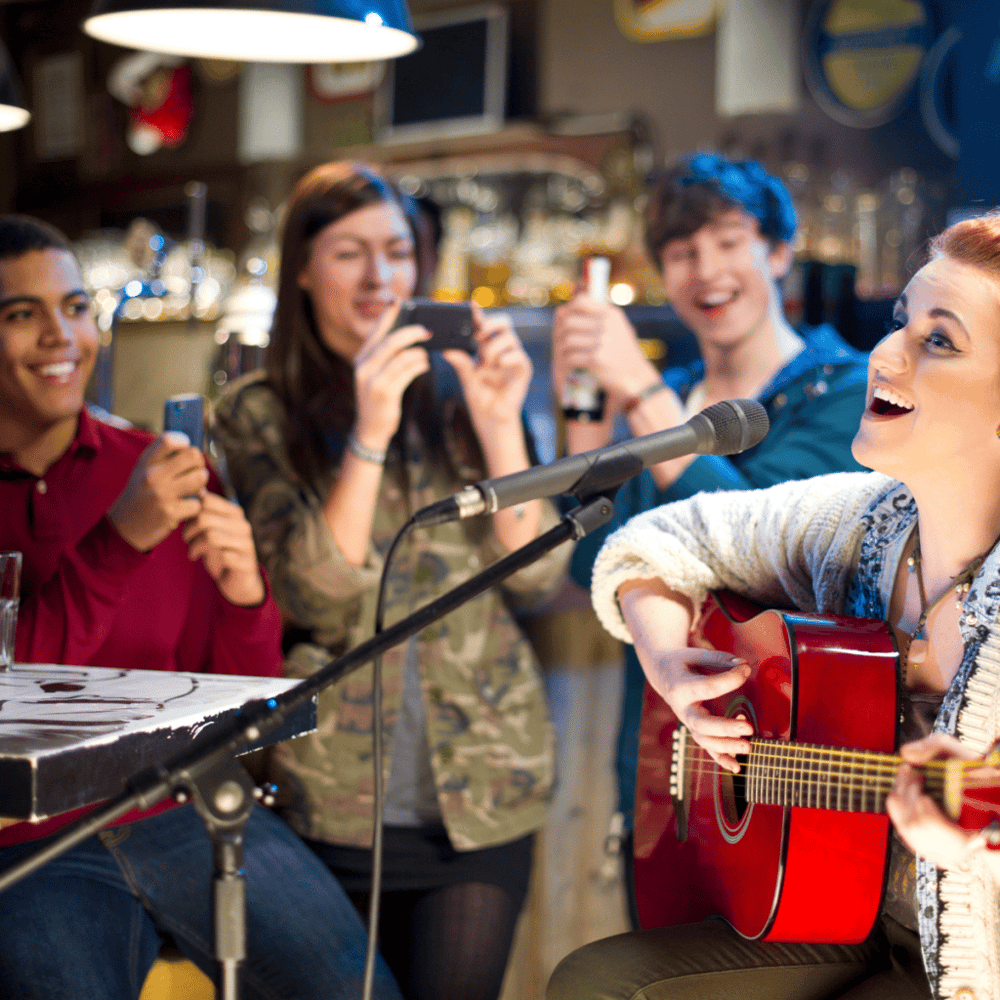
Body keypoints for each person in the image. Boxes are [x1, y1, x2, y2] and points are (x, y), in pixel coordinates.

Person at [547, 212, 1000, 999]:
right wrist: (667, 661)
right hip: (854, 919)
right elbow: (661, 537)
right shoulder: (862, 521)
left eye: (940, 341)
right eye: (902, 323)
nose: (885, 354)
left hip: (972, 964)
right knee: (601, 981)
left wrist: (977, 844)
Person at [0, 214, 403, 1000]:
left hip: (187, 811)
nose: (62, 336)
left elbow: (238, 702)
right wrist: (121, 541)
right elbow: (13, 699)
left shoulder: (161, 468)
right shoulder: (142, 500)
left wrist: (247, 593)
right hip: (29, 843)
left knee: (359, 992)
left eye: (76, 308)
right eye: (22, 314)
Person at [214, 162, 570, 1000]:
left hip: (484, 787)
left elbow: (540, 571)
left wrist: (497, 423)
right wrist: (370, 431)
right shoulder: (256, 410)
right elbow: (317, 595)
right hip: (326, 792)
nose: (380, 277)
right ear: (303, 266)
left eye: (398, 251)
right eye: (350, 253)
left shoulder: (469, 390)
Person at [550, 152, 869, 923]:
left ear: (779, 252)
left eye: (729, 242)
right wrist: (588, 415)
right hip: (660, 753)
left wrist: (643, 392)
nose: (707, 270)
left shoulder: (848, 391)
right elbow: (592, 563)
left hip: (796, 768)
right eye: (683, 253)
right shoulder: (671, 394)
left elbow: (763, 560)